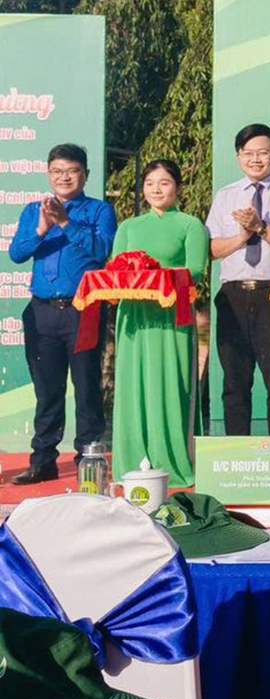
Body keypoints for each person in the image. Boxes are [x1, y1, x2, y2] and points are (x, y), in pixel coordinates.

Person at [7, 144, 117, 485]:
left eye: (71, 171)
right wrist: (41, 227)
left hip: (82, 309)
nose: (64, 177)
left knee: (86, 386)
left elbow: (102, 251)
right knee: (47, 389)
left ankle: (89, 458)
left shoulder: (99, 211)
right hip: (41, 311)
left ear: (84, 173)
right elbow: (16, 254)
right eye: (57, 171)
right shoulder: (32, 210)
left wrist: (66, 222)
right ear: (48, 173)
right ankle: (43, 460)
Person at [110, 160, 210, 488]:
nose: (156, 189)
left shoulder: (191, 225)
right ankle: (131, 460)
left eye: (164, 182)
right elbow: (114, 271)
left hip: (172, 314)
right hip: (134, 317)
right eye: (150, 182)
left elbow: (195, 271)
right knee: (134, 385)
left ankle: (173, 461)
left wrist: (157, 279)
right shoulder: (129, 227)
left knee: (171, 384)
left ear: (178, 188)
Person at [206, 123, 270, 436]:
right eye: (248, 153)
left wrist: (262, 228)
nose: (255, 159)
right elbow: (210, 249)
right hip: (233, 295)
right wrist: (242, 236)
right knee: (235, 381)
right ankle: (236, 453)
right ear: (238, 157)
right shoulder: (225, 196)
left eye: (262, 153)